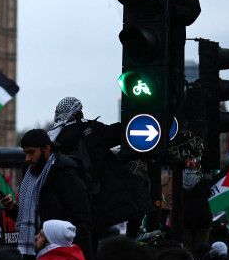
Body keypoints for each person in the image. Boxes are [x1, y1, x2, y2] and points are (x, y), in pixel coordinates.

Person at [49, 97, 153, 237]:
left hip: (70, 203)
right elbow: (119, 132)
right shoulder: (90, 129)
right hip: (101, 198)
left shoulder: (55, 139)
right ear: (79, 113)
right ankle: (132, 238)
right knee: (140, 186)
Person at [0, 129, 92, 260]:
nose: (27, 159)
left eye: (31, 152)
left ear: (46, 149)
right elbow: (33, 217)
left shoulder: (66, 172)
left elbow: (82, 220)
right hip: (34, 253)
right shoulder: (30, 173)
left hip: (61, 257)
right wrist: (12, 209)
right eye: (25, 153)